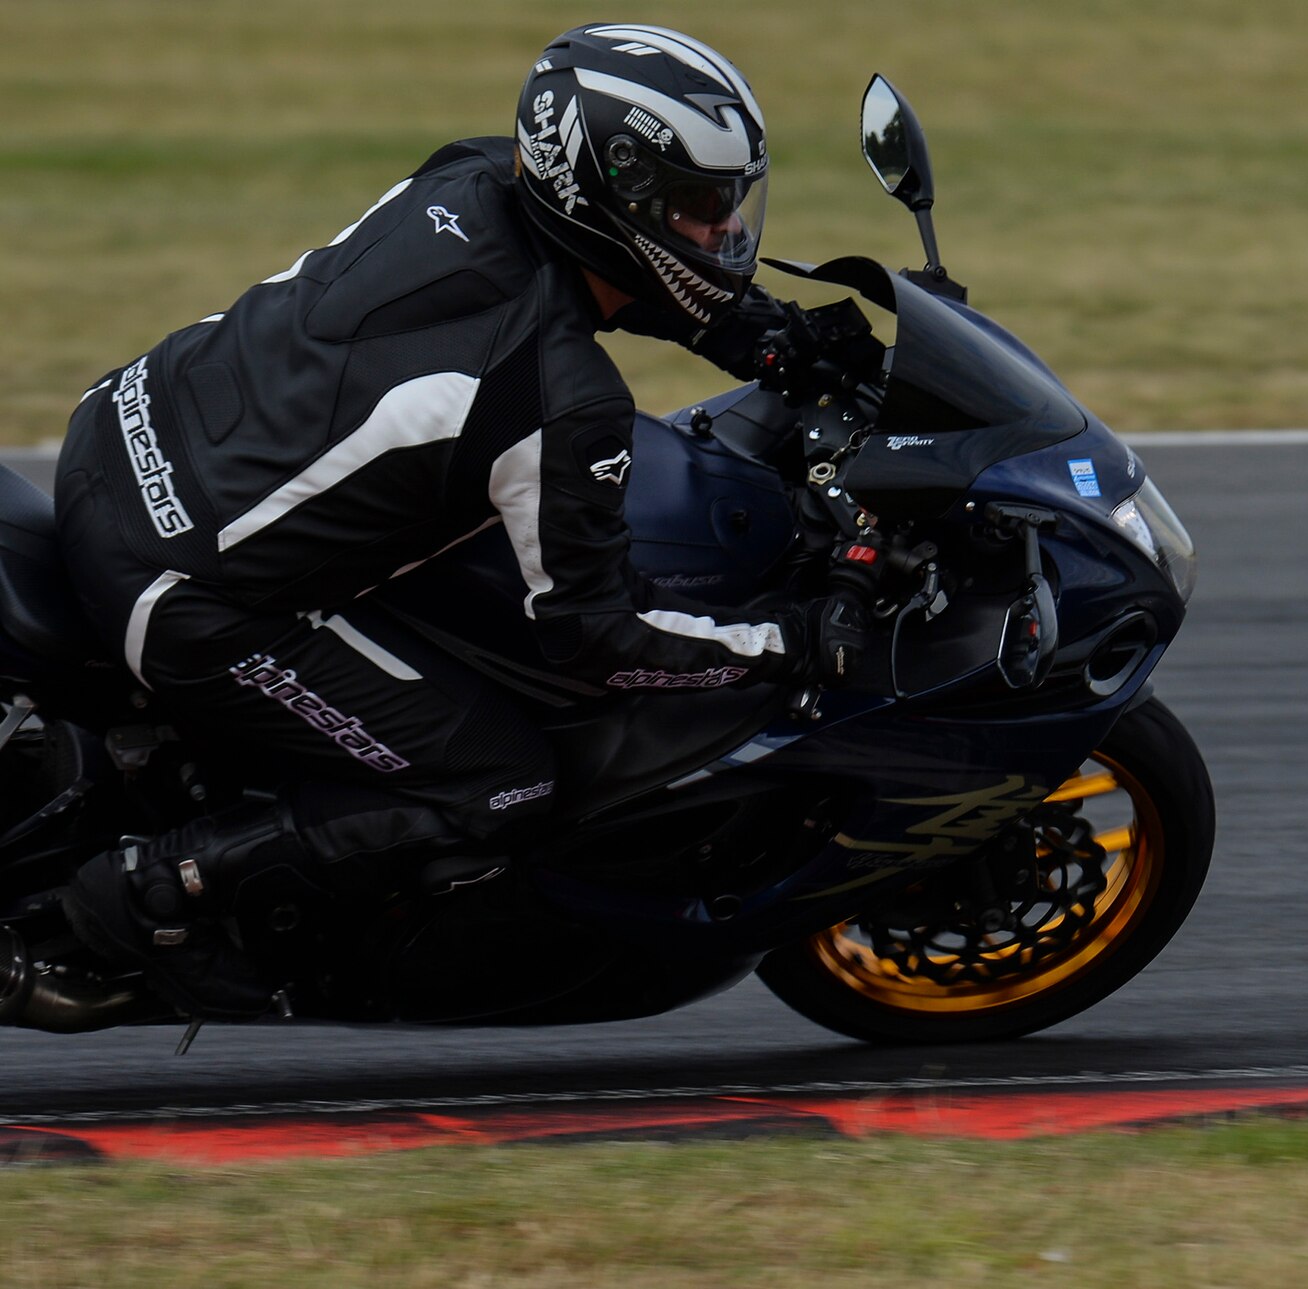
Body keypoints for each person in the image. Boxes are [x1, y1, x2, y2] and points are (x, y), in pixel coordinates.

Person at [52, 24, 846, 1020]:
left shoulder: (468, 178)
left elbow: (585, 277)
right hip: (183, 593)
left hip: (116, 425)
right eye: (695, 208)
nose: (721, 231)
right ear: (612, 194)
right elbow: (595, 634)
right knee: (497, 781)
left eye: (729, 203)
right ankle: (159, 887)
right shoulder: (566, 405)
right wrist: (794, 643)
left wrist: (760, 335)